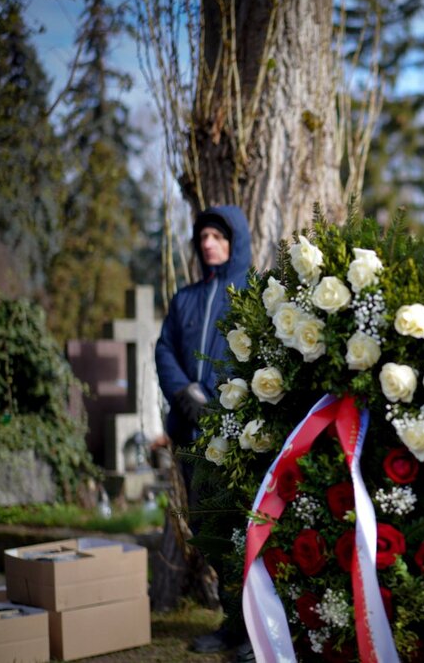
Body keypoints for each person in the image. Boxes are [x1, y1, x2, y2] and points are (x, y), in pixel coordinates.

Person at [155, 205, 252, 656]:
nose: (209, 243)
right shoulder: (185, 299)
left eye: (218, 236)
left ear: (236, 241)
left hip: (233, 437)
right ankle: (232, 623)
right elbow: (164, 350)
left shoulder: (253, 292)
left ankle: (255, 628)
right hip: (191, 436)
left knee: (241, 531)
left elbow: (254, 355)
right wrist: (183, 394)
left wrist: (213, 399)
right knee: (209, 529)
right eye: (204, 237)